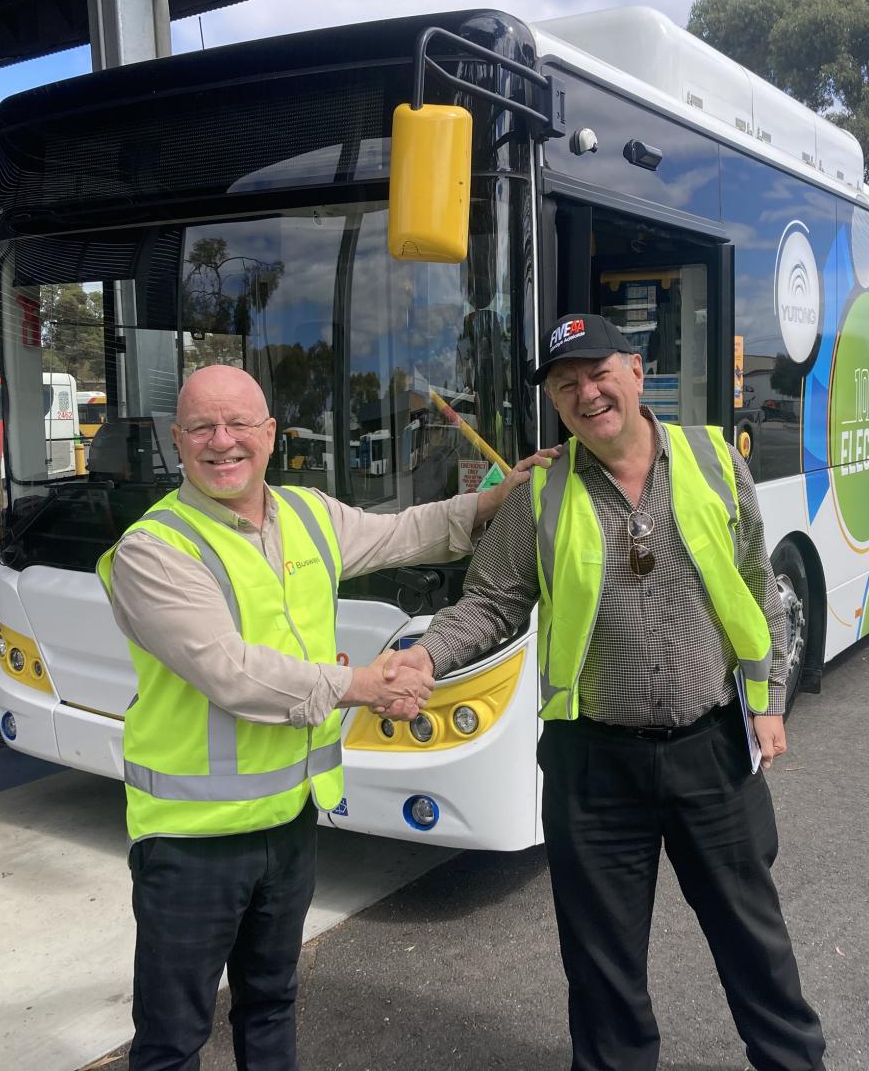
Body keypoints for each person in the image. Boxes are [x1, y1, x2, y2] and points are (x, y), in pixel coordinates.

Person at [387, 314, 827, 1071]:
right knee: (601, 970)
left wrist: (768, 699)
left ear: (635, 370)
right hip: (592, 765)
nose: (586, 393)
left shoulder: (714, 460)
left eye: (597, 373)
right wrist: (425, 656)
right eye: (566, 384)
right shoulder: (540, 494)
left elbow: (759, 584)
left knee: (753, 940)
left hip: (711, 750)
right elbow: (490, 602)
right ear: (555, 402)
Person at [98, 364, 554, 1071]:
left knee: (272, 1002)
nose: (223, 442)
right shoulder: (155, 549)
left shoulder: (308, 514)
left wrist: (501, 498)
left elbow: (407, 532)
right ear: (176, 439)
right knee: (171, 1037)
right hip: (192, 842)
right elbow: (234, 674)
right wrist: (367, 684)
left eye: (240, 424)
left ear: (270, 435)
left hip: (289, 822)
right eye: (202, 427)